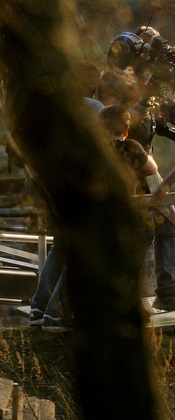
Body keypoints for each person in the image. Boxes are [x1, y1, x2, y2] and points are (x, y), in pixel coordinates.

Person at [97, 68, 175, 312]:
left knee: (167, 225)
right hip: (131, 184)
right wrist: (130, 117)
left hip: (144, 179)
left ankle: (168, 291)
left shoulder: (132, 111)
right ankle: (125, 296)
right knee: (137, 238)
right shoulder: (105, 110)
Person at [29, 60, 104, 331]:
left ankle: (38, 307)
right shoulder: (95, 108)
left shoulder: (57, 108)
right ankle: (57, 313)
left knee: (60, 247)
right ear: (92, 83)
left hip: (54, 187)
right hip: (81, 189)